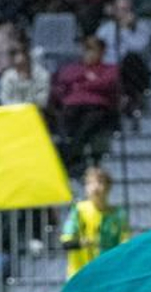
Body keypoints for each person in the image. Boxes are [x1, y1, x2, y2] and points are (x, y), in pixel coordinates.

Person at [51, 35, 122, 176]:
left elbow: (107, 83)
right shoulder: (73, 68)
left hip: (99, 109)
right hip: (74, 108)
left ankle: (71, 154)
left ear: (102, 52)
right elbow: (64, 79)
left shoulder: (110, 69)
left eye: (93, 50)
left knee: (93, 118)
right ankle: (74, 153)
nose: (89, 54)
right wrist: (88, 80)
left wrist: (79, 84)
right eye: (86, 50)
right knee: (67, 117)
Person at [61, 166, 131, 279]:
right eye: (90, 183)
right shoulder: (79, 211)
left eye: (100, 182)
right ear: (85, 188)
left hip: (108, 275)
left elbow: (125, 244)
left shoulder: (118, 215)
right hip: (80, 275)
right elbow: (66, 242)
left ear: (108, 187)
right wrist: (82, 242)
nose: (95, 187)